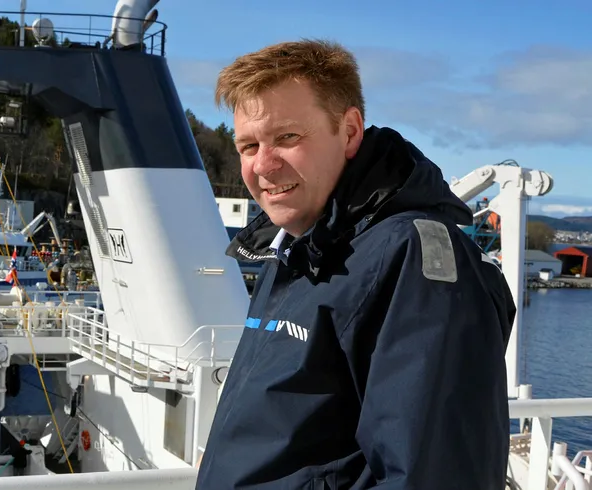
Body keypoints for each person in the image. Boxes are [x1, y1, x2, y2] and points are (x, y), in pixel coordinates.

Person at [196, 39, 516, 489]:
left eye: (287, 137)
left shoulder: (416, 260)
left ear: (349, 131)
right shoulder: (293, 249)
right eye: (248, 145)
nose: (263, 166)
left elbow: (433, 474)